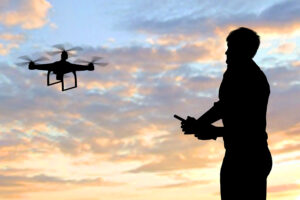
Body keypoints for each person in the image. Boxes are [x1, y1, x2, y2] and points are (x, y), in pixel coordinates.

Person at [181, 27, 272, 200]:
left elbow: (248, 128)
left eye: (231, 47)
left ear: (243, 50)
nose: (226, 52)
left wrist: (211, 131)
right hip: (243, 155)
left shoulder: (251, 78)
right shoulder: (235, 74)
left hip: (248, 159)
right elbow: (224, 107)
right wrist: (199, 124)